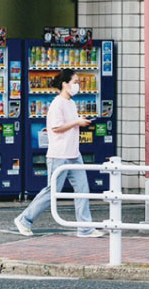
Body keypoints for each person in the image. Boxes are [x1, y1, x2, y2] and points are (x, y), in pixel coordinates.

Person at [14, 68, 104, 238]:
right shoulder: (57, 104)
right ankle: (24, 219)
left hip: (73, 154)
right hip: (59, 155)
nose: (78, 86)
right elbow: (55, 127)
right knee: (51, 192)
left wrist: (79, 122)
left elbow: (68, 124)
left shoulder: (71, 103)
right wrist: (77, 122)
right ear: (65, 84)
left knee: (82, 189)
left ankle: (85, 228)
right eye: (75, 82)